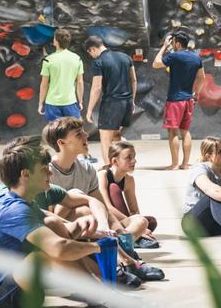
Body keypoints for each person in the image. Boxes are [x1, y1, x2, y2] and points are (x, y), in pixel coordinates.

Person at [0, 136, 113, 308]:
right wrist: (98, 247)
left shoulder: (18, 199)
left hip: (10, 294)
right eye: (44, 170)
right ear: (25, 174)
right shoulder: (14, 210)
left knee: (51, 231)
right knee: (45, 254)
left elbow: (63, 233)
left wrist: (80, 225)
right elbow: (59, 249)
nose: (50, 173)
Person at [42, 118, 164, 282]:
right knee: (82, 206)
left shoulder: (86, 169)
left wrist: (115, 232)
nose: (86, 135)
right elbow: (49, 218)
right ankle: (124, 261)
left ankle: (127, 255)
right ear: (61, 142)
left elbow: (103, 209)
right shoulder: (47, 172)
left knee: (139, 221)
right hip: (64, 233)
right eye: (79, 134)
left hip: (92, 227)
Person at [152, 31, 204, 170]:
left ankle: (174, 164)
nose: (172, 45)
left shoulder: (175, 56)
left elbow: (156, 64)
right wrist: (196, 93)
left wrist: (163, 47)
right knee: (185, 131)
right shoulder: (196, 58)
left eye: (173, 42)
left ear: (178, 43)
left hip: (175, 100)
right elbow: (201, 78)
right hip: (189, 100)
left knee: (173, 132)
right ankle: (185, 164)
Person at [84, 35, 136, 164]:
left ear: (92, 49)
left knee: (106, 140)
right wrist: (132, 100)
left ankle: (109, 170)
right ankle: (125, 163)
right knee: (116, 136)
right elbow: (134, 80)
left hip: (111, 104)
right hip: (127, 102)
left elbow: (96, 87)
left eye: (90, 53)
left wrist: (89, 109)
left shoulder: (99, 61)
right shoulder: (125, 57)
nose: (92, 56)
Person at [97, 141, 159, 249]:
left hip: (121, 220)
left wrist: (142, 224)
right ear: (115, 161)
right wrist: (135, 223)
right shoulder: (102, 175)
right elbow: (107, 207)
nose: (134, 161)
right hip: (105, 219)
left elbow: (134, 209)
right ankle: (133, 236)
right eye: (128, 158)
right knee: (114, 188)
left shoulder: (129, 180)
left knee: (151, 221)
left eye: (134, 157)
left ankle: (133, 235)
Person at [38, 29, 84, 121]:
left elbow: (44, 84)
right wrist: (80, 101)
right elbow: (79, 82)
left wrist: (40, 103)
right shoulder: (77, 59)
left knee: (55, 133)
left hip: (52, 103)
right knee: (75, 131)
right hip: (70, 102)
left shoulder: (48, 60)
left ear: (56, 41)